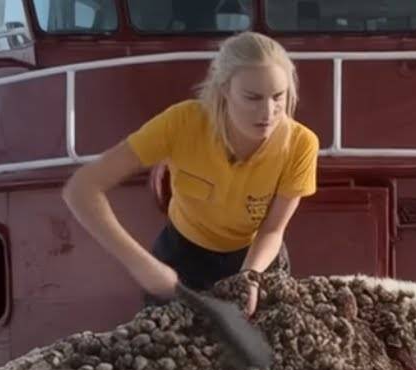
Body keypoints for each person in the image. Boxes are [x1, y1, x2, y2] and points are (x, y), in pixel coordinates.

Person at [63, 31, 319, 316]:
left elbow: (272, 229)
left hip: (255, 261)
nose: (268, 112)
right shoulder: (181, 123)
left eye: (278, 97)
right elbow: (82, 188)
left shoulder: (301, 144)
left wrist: (249, 278)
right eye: (252, 98)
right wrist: (140, 264)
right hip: (183, 257)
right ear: (224, 90)